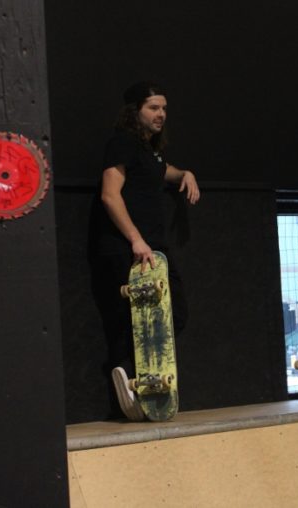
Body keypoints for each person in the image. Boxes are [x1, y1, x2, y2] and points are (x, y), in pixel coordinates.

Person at [90, 81, 200, 420]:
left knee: (173, 315)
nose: (161, 114)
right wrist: (135, 239)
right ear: (135, 111)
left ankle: (144, 381)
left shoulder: (149, 150)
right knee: (130, 322)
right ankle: (129, 388)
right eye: (153, 107)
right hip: (127, 247)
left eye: (164, 108)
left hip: (154, 248)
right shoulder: (121, 143)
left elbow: (161, 170)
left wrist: (186, 173)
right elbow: (110, 194)